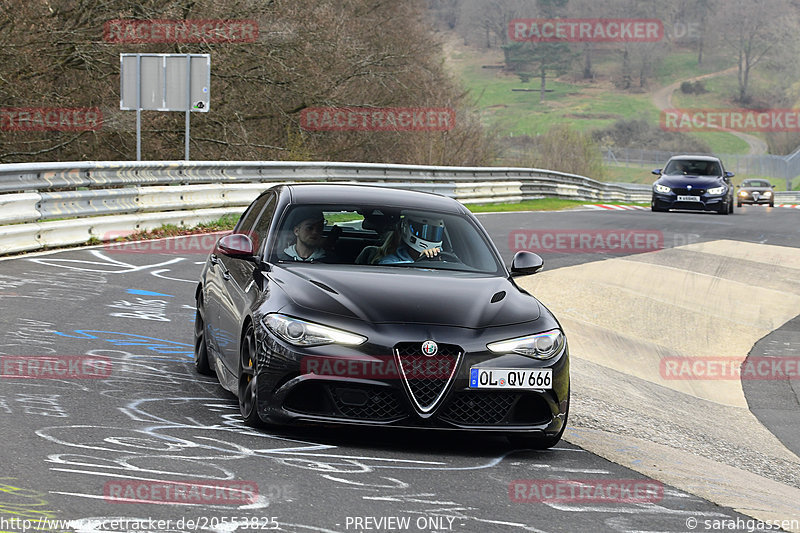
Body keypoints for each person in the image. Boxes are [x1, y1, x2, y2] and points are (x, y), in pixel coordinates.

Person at [372, 211, 445, 264]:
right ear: (406, 229)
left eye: (435, 233)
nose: (430, 238)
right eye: (424, 232)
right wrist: (423, 264)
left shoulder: (444, 260)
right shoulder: (390, 262)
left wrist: (437, 263)